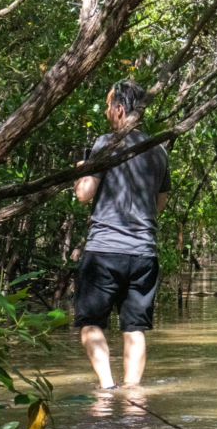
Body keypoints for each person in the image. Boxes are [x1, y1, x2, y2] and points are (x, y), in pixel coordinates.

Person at [72, 79, 171, 390]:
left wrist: (81, 171)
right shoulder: (158, 151)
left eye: (106, 106)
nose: (104, 112)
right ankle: (132, 396)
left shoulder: (106, 144)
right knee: (135, 328)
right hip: (144, 253)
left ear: (119, 109)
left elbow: (84, 194)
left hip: (104, 251)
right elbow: (160, 202)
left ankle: (107, 388)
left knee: (90, 324)